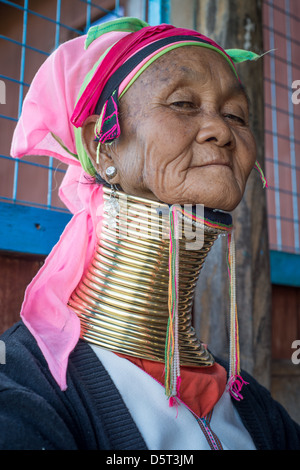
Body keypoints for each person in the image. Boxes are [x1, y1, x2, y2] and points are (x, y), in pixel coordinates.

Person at [0, 17, 299, 451]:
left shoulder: (251, 405)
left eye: (236, 114)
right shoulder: (26, 389)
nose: (222, 130)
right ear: (103, 142)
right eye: (182, 103)